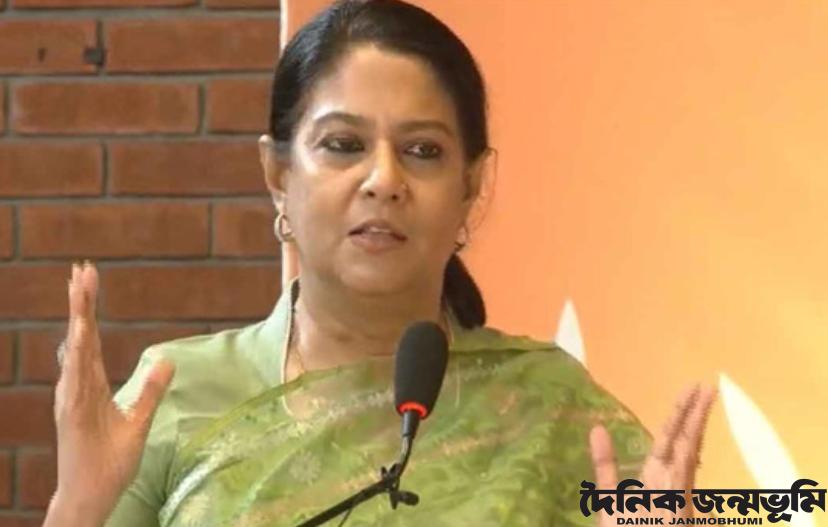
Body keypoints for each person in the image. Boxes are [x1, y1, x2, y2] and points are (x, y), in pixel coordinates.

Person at [42, 1, 716, 526]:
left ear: (471, 186)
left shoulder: (549, 410)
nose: (384, 180)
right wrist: (78, 505)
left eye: (423, 151)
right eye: (343, 144)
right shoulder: (173, 396)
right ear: (278, 174)